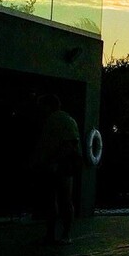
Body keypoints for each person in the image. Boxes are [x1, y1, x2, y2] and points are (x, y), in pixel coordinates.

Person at [36, 95, 81, 244]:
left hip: (61, 164)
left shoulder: (57, 120)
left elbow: (69, 144)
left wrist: (53, 161)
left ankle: (60, 234)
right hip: (62, 164)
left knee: (60, 199)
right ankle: (60, 234)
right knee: (60, 200)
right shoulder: (67, 119)